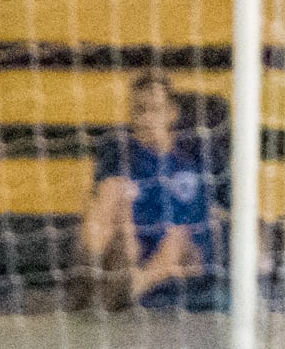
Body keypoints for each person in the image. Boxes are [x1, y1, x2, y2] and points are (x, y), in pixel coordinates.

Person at [76, 72, 226, 310]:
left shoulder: (189, 163)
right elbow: (109, 207)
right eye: (139, 110)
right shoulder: (122, 157)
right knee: (109, 194)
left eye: (154, 110)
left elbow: (190, 231)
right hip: (136, 251)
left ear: (171, 113)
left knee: (177, 239)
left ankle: (127, 292)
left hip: (182, 253)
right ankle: (88, 280)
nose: (146, 119)